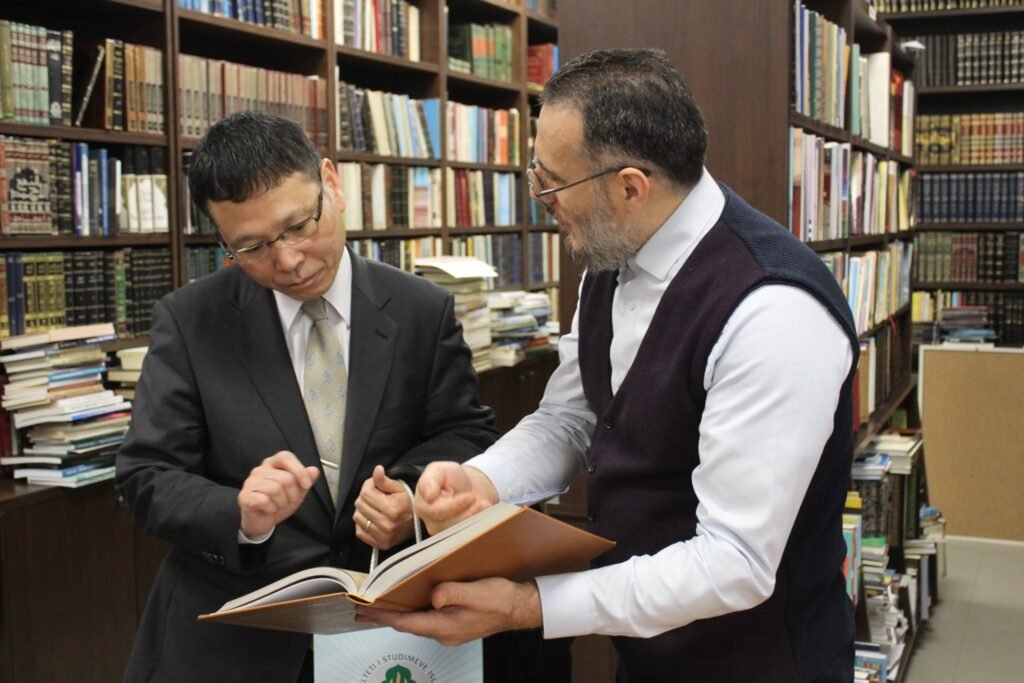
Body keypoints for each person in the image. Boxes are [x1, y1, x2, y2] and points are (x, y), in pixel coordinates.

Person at [358, 48, 860, 682]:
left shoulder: (772, 312)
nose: (542, 199)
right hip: (647, 652)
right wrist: (482, 481)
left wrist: (529, 606)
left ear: (629, 187)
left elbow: (734, 562)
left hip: (759, 662)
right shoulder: (614, 254)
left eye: (551, 183)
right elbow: (573, 417)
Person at [115, 111, 498, 682]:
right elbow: (145, 475)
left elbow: (465, 432)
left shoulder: (421, 309)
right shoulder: (191, 321)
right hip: (236, 640)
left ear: (331, 183)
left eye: (298, 226)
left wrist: (411, 498)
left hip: (388, 632)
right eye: (251, 247)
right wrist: (240, 513)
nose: (288, 261)